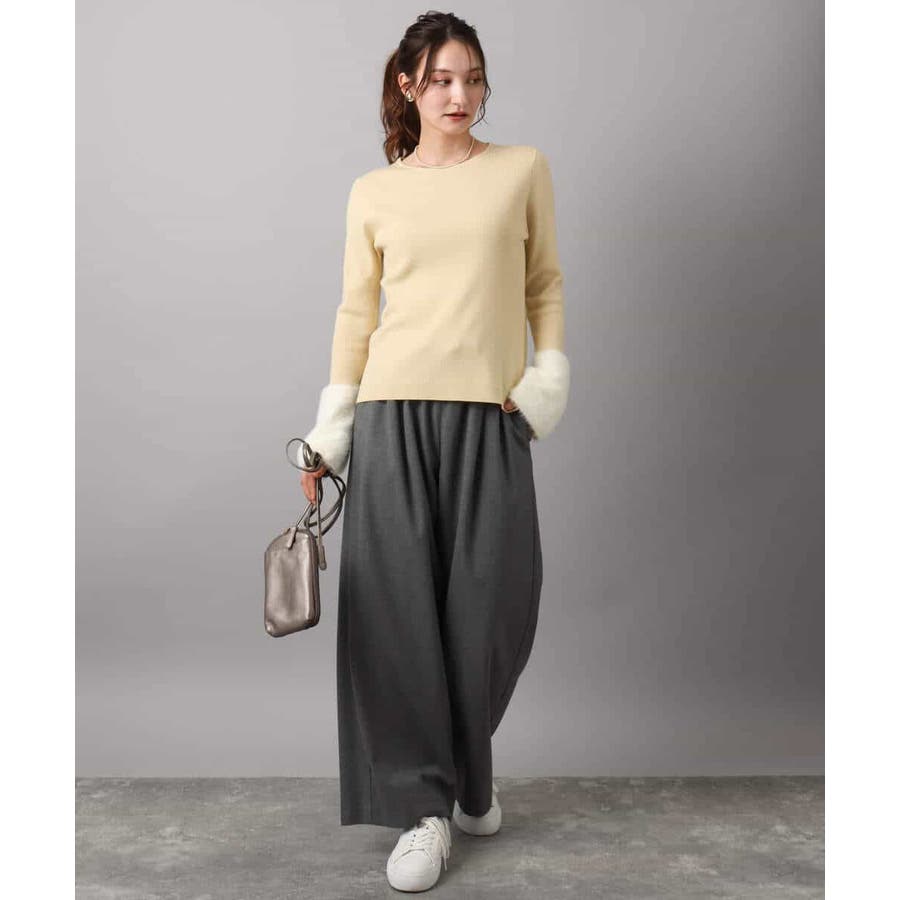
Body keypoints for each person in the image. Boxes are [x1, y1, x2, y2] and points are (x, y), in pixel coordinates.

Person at [299, 11, 570, 893]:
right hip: (389, 416)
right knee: (396, 618)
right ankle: (426, 810)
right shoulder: (373, 192)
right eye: (443, 79)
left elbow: (544, 285)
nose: (461, 94)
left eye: (473, 78)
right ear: (408, 85)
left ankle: (469, 772)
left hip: (491, 415)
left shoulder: (520, 169)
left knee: (493, 606)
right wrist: (330, 432)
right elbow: (356, 313)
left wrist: (545, 382)